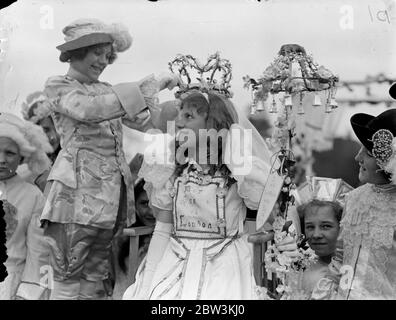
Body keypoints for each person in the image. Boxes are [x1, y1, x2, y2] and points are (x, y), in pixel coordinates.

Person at [40, 18, 179, 300]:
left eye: (107, 55)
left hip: (108, 202)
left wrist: (189, 106)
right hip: (74, 200)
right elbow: (90, 110)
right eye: (97, 53)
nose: (103, 61)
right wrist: (144, 87)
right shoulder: (59, 86)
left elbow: (146, 122)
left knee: (94, 280)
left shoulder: (108, 90)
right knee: (67, 279)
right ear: (77, 51)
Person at [123, 65, 272, 299]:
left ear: (211, 125)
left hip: (224, 266)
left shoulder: (239, 171)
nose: (179, 122)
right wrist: (147, 280)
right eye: (180, 115)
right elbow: (162, 230)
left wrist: (234, 159)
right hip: (174, 262)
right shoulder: (171, 169)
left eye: (188, 116)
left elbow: (266, 212)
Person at [311, 109, 396, 300]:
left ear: (390, 161)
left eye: (367, 153)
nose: (358, 158)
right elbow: (341, 256)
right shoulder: (354, 199)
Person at [0, 112, 52, 300]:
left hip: (11, 286)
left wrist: (26, 294)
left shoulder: (33, 197)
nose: (2, 159)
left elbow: (40, 252)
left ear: (22, 157)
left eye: (10, 153)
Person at [297, 199, 342, 298]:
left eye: (326, 226)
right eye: (310, 227)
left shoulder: (354, 269)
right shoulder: (297, 272)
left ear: (341, 227)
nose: (316, 235)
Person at [19, 91, 61, 191]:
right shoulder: (26, 171)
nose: (53, 137)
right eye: (45, 130)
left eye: (56, 129)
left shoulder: (72, 157)